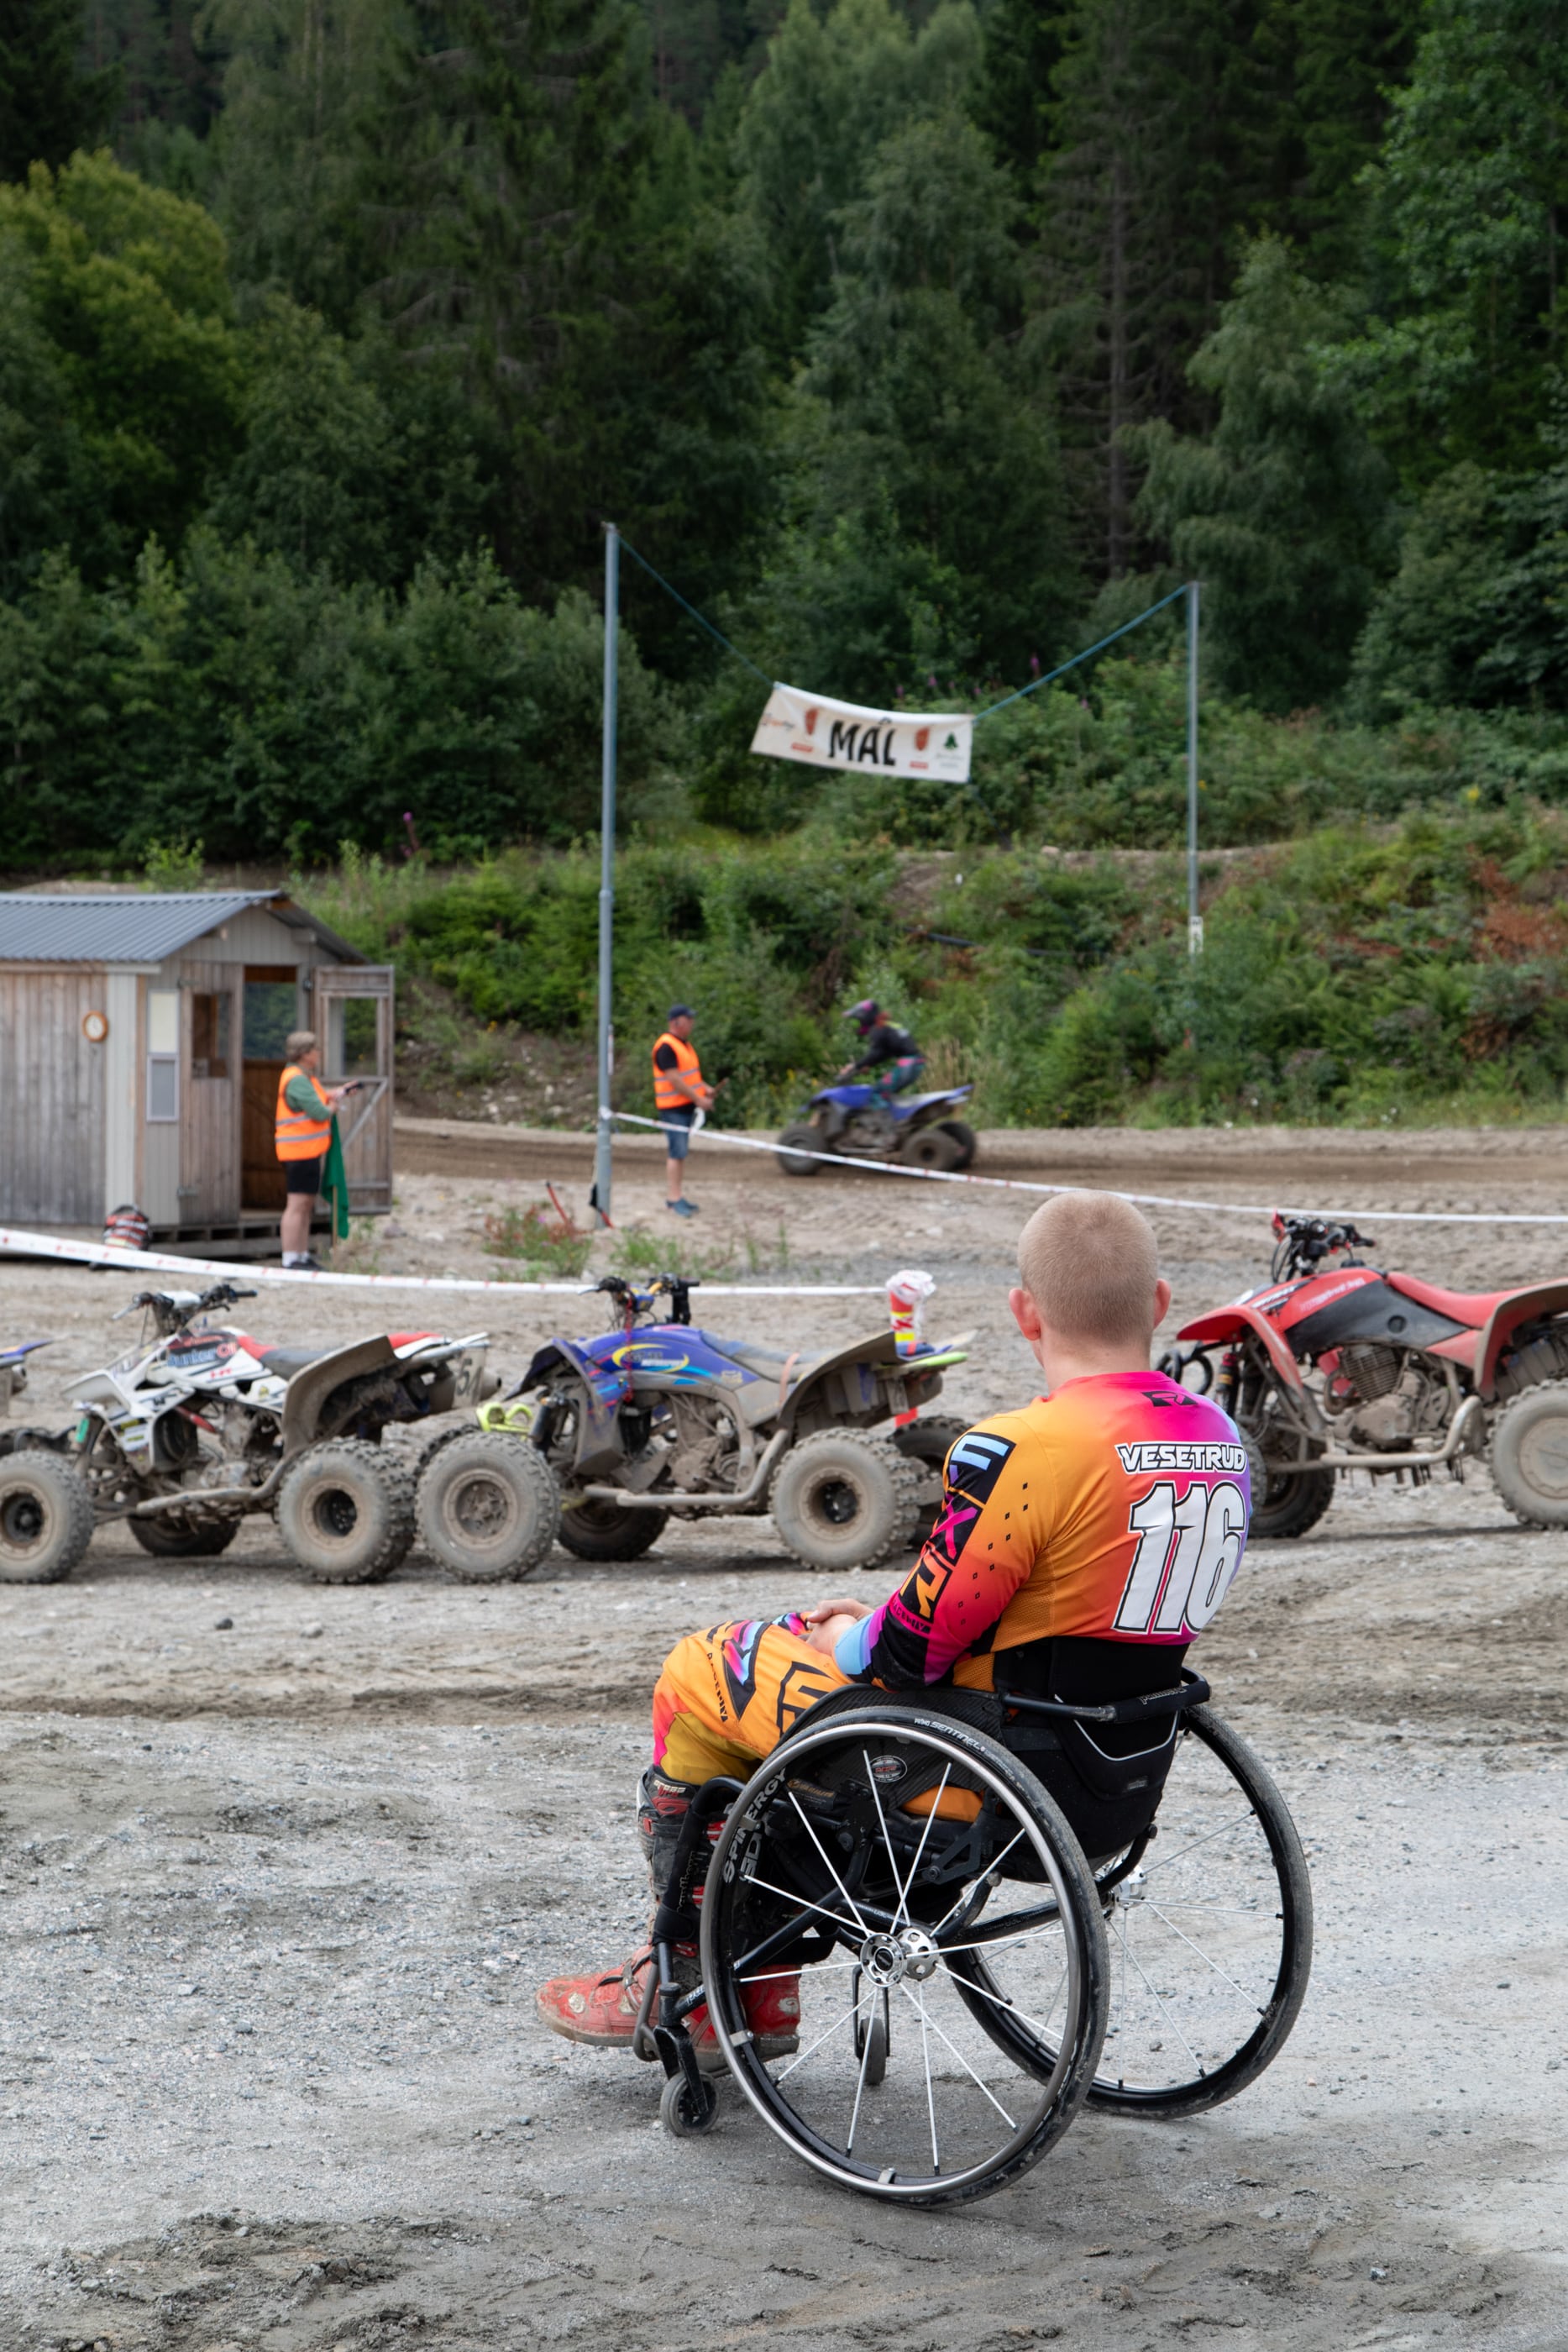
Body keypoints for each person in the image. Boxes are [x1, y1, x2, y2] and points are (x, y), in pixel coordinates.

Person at [535, 1189, 1252, 2063]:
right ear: (1160, 1303)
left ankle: (695, 1983)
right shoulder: (1218, 1440)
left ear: (1024, 1312)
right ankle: (742, 1978)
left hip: (970, 1774)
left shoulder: (1024, 1449)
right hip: (1111, 1774)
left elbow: (913, 1648)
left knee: (698, 1672)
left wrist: (847, 1631)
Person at [275, 1031, 355, 1270]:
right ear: (304, 1054)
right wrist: (333, 1106)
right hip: (298, 1152)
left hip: (307, 1152)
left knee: (306, 1204)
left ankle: (301, 1254)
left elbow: (317, 1099)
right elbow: (319, 1112)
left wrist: (338, 1093)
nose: (319, 1054)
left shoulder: (304, 1077)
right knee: (297, 1205)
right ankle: (290, 1257)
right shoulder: (297, 1079)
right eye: (315, 1050)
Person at [651, 1004, 713, 1219]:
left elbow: (690, 1076)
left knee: (680, 1153)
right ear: (676, 1022)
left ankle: (676, 1196)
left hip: (684, 1106)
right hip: (673, 1108)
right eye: (688, 1019)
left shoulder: (683, 1045)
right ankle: (673, 1198)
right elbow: (674, 1079)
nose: (692, 1023)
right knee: (677, 1152)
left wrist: (705, 1089)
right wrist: (699, 1098)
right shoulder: (666, 1046)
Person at [839, 998, 925, 1099]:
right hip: (916, 1062)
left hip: (908, 1063)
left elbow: (875, 1053)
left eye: (859, 1020)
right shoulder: (886, 1025)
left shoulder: (878, 1028)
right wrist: (867, 1065)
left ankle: (883, 1115)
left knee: (877, 1093)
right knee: (887, 1093)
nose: (859, 1024)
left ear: (865, 1017)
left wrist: (855, 1066)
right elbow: (883, 1053)